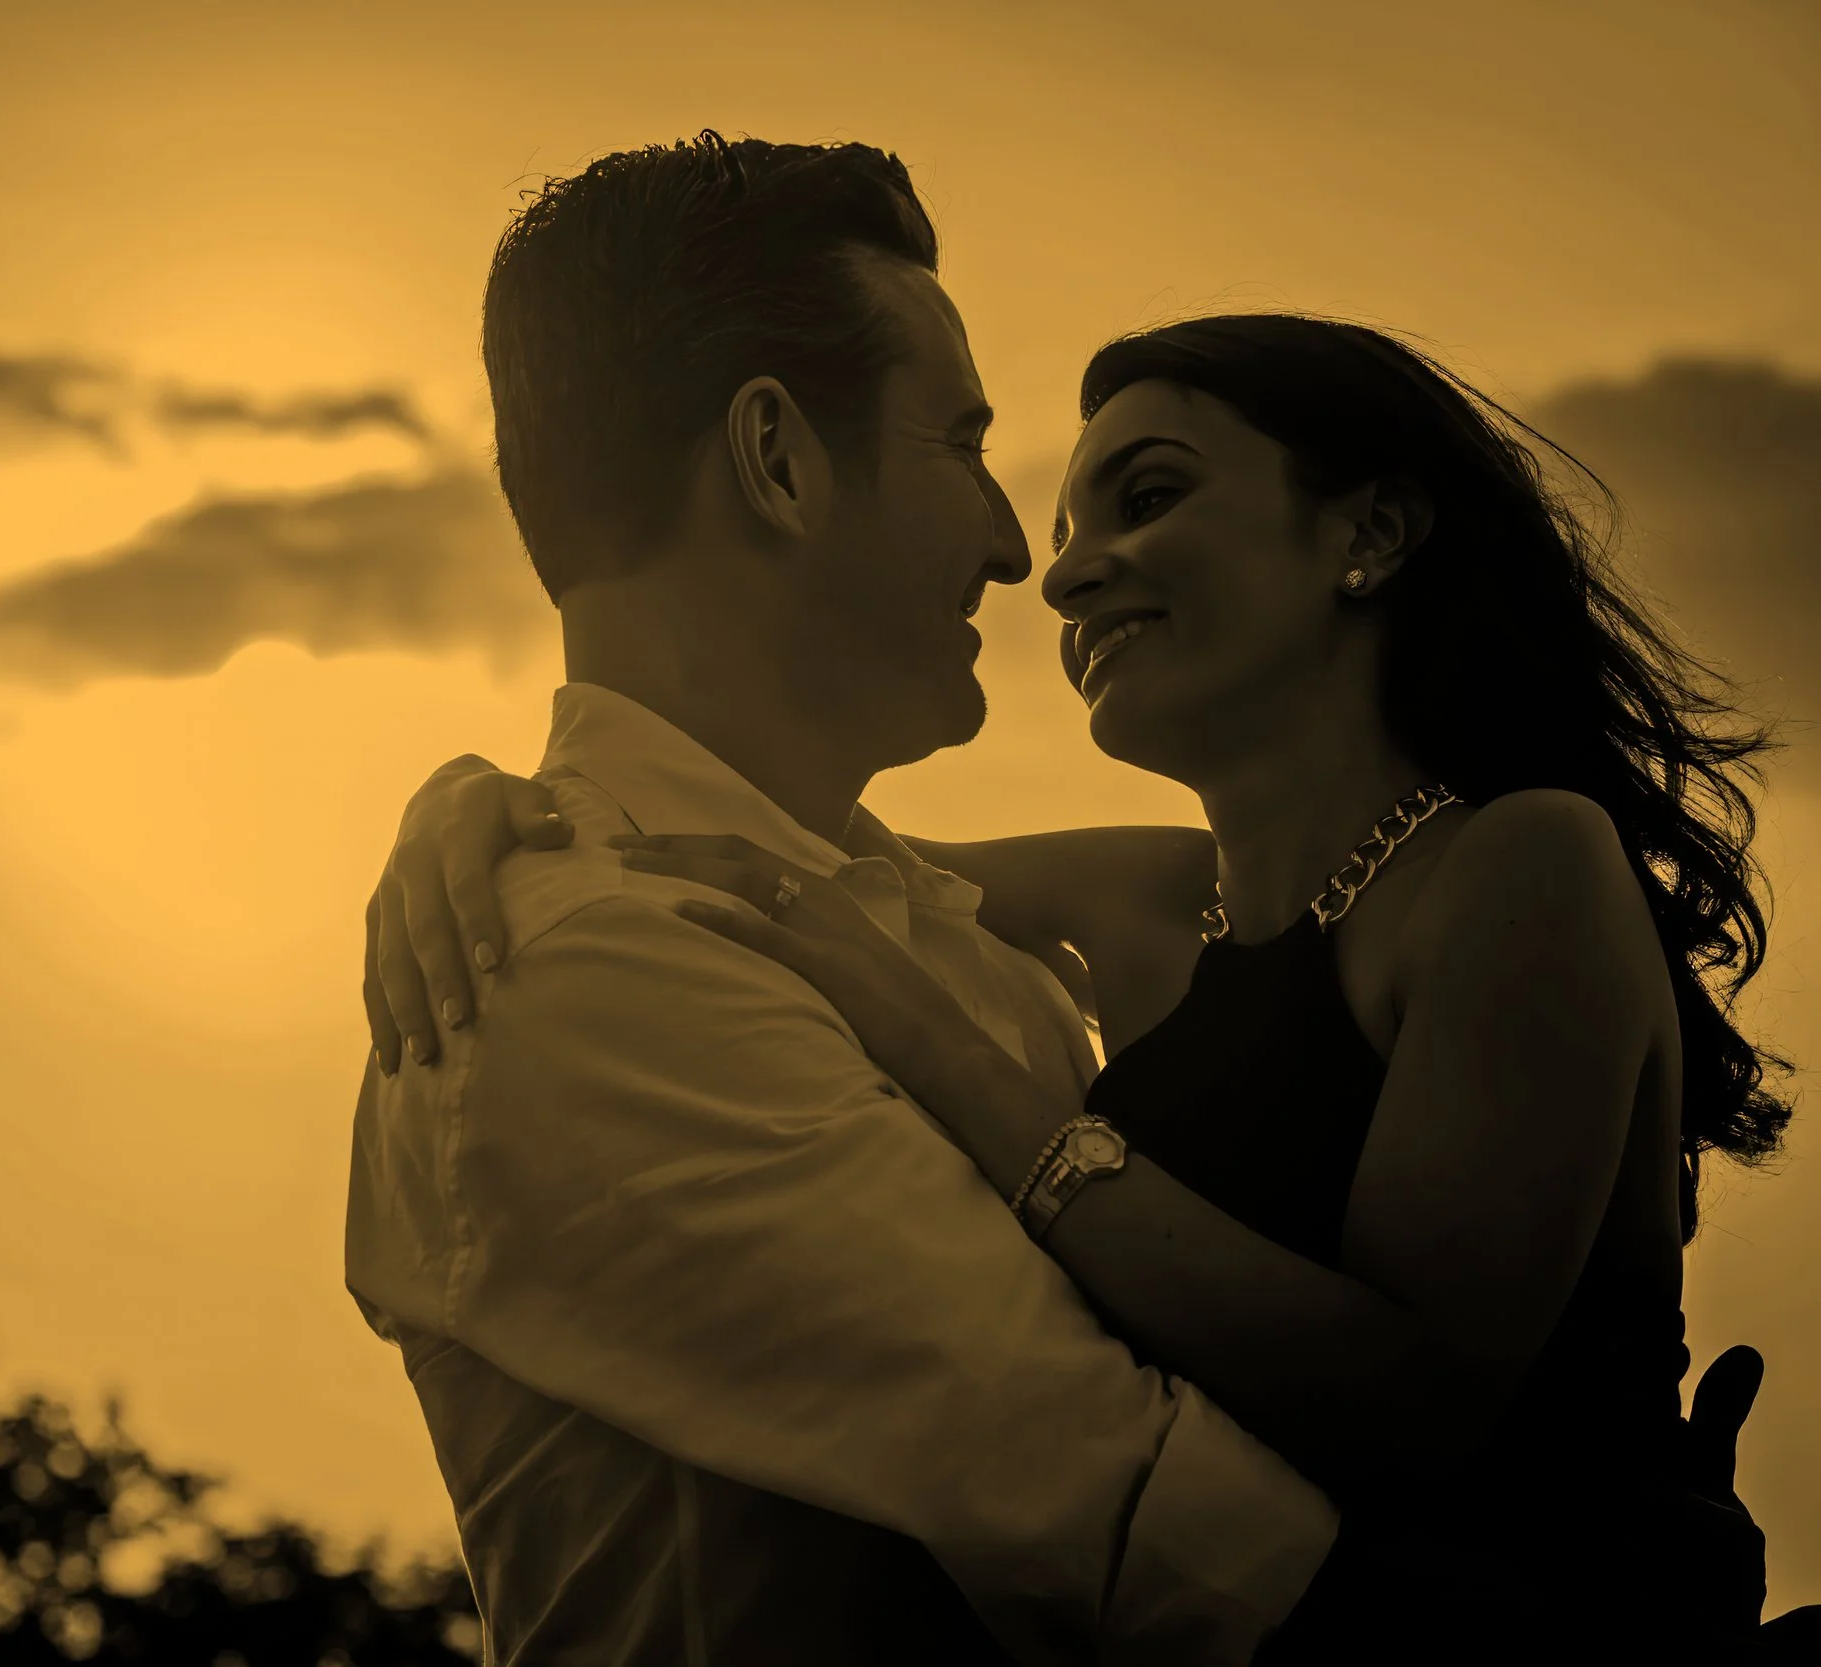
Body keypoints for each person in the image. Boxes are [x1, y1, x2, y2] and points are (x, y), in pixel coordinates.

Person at [366, 300, 1800, 1651]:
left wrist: (984, 1088)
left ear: (1369, 530)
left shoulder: (1525, 867)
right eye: (1066, 521)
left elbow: (1410, 1409)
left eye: (1151, 496)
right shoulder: (1155, 894)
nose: (1060, 570)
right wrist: (480, 807)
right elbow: (741, 846)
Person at [344, 134, 1343, 1667]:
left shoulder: (882, 916)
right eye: (961, 443)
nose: (1022, 550)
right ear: (780, 461)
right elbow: (1201, 1560)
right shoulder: (583, 973)